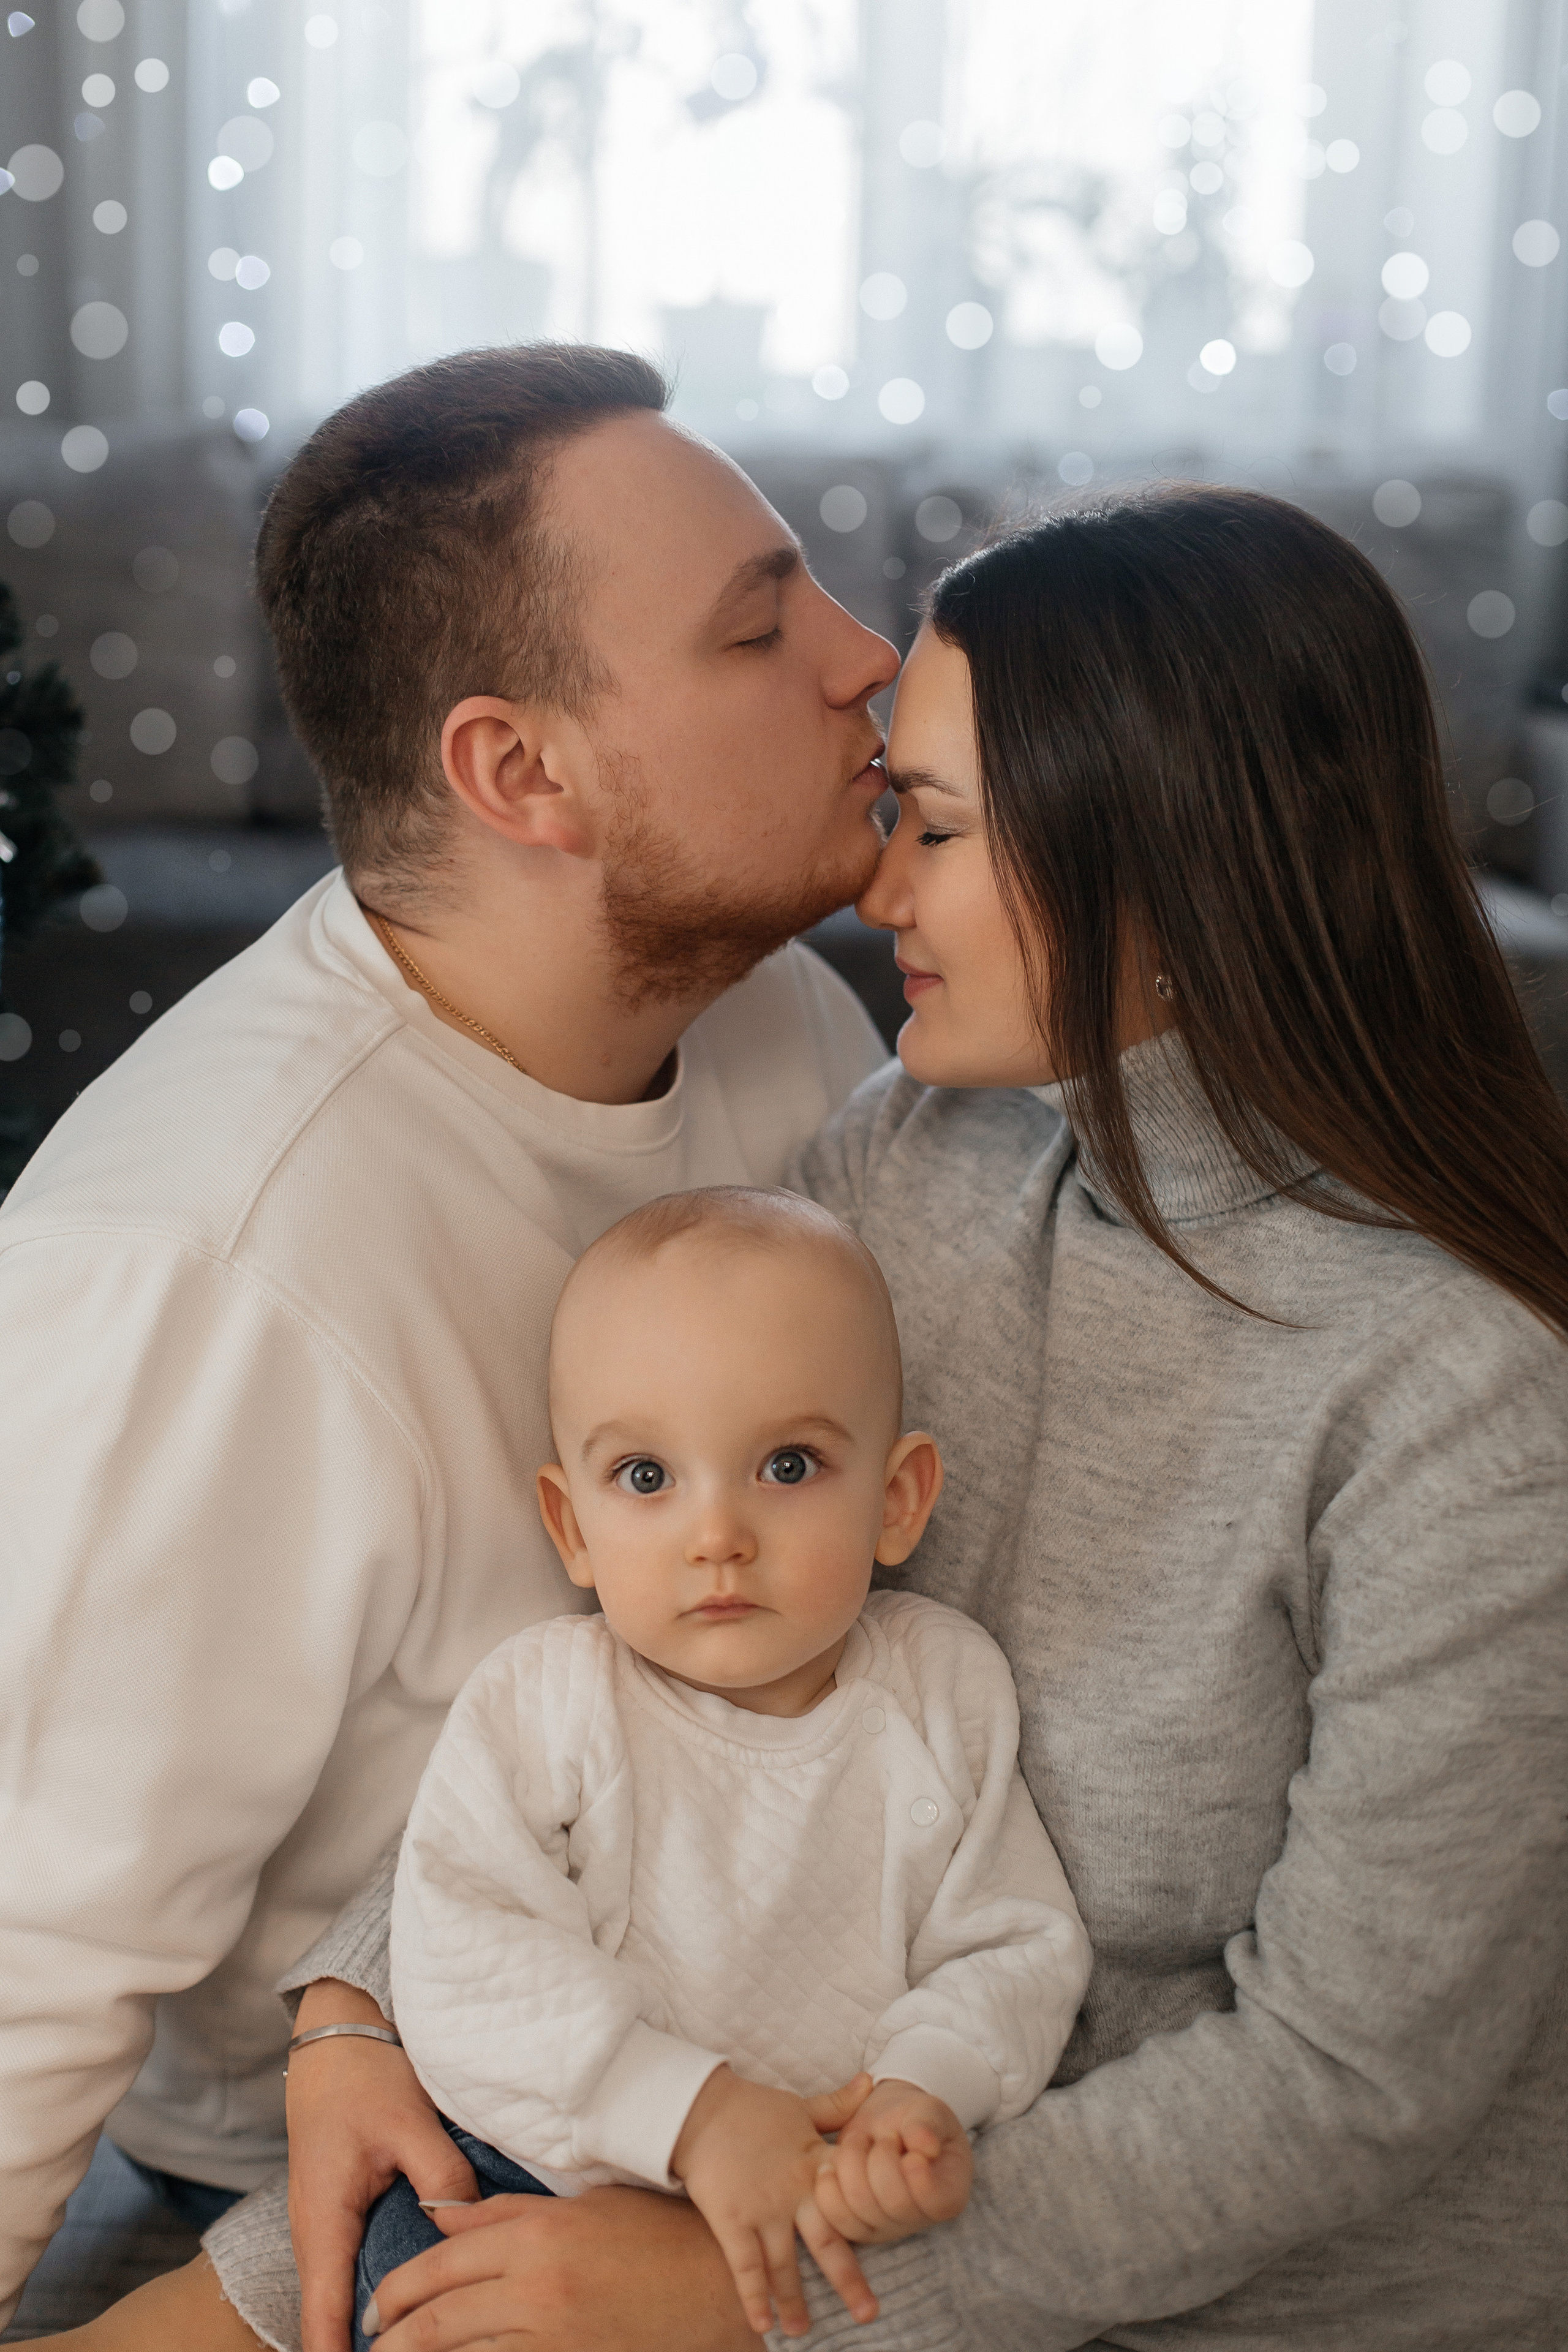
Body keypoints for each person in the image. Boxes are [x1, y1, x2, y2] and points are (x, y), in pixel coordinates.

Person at [193, 481, 1567, 2352]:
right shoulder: (925, 1157)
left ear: (1154, 850)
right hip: (769, 2138)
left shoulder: (1462, 1395)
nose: (874, 886)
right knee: (284, 2279)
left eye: (927, 824)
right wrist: (358, 2005)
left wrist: (755, 2297)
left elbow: (1344, 2084)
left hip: (1178, 2280)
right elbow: (663, 1637)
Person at [0, 342, 901, 2341]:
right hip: (422, 2178)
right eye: (766, 631)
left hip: (792, 2040)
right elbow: (22, 1949)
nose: (866, 654)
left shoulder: (782, 1026)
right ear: (523, 776)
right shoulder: (204, 1265)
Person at [363, 1185, 1088, 2347]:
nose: (718, 1536)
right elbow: (466, 1960)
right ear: (572, 1528)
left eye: (789, 1467)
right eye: (647, 1478)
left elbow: (1011, 1940)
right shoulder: (546, 1703)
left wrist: (927, 2089)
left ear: (897, 1501)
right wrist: (692, 2116)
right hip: (548, 2177)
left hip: (828, 2195)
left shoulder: (942, 1689)